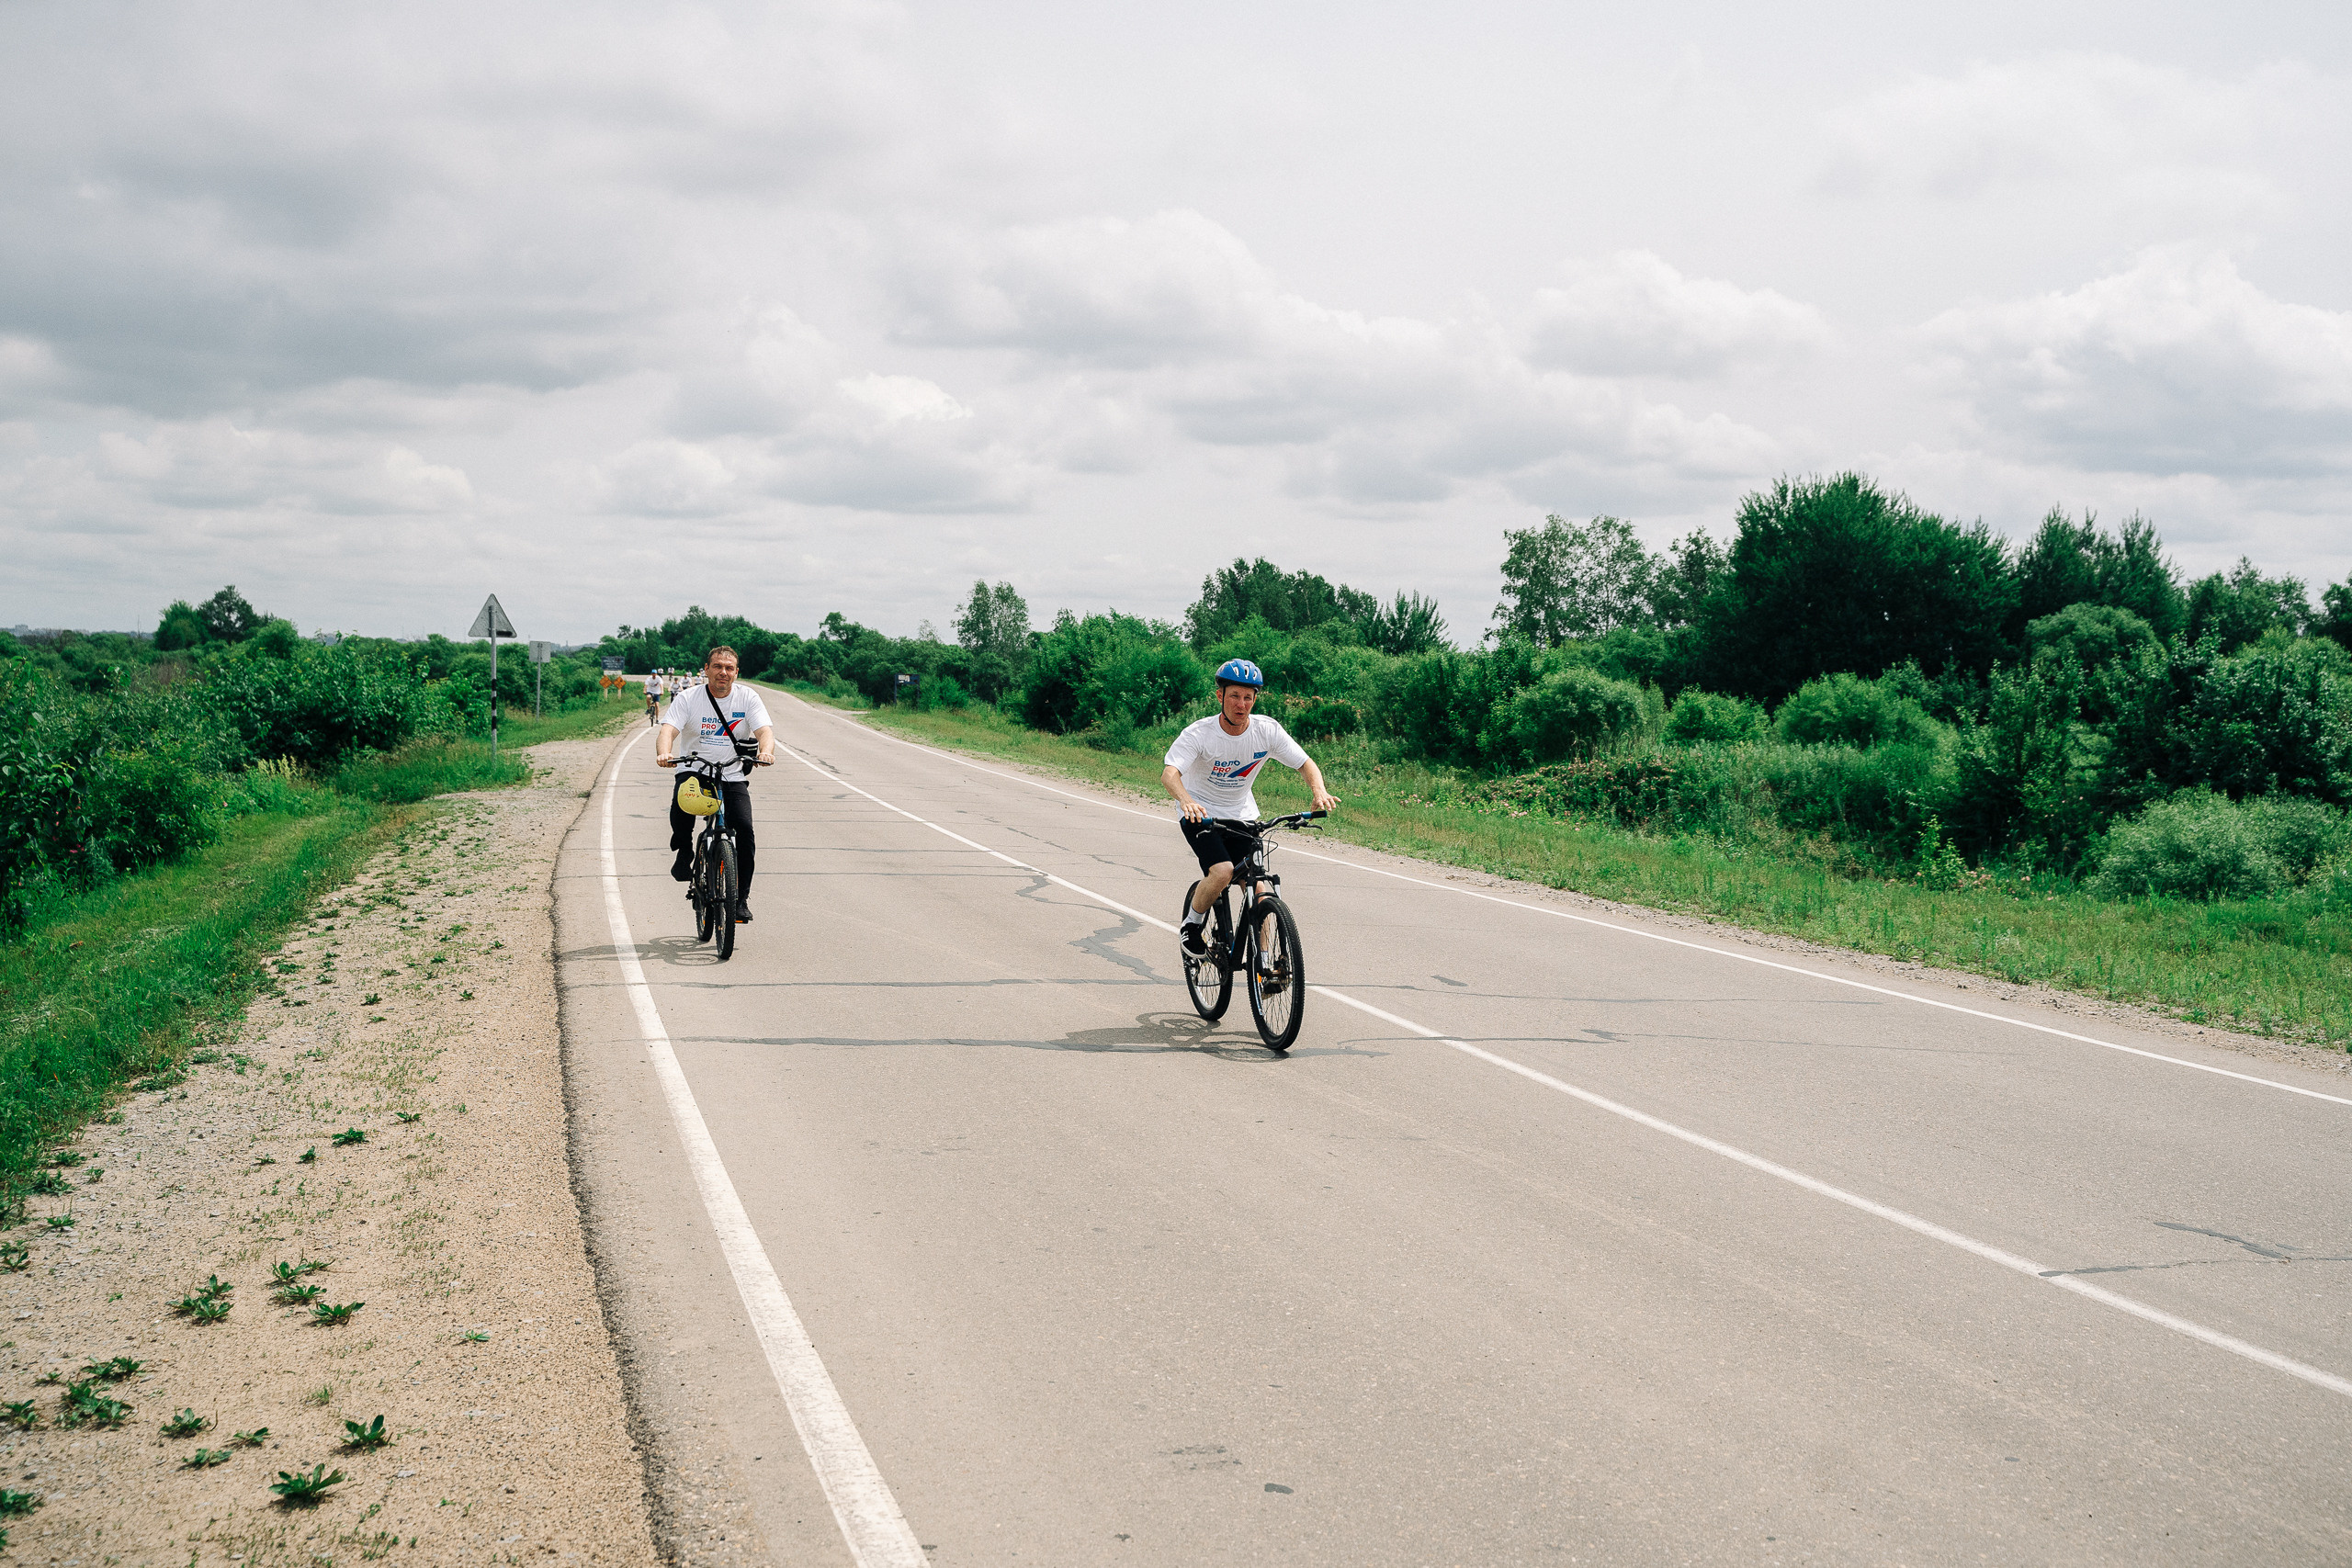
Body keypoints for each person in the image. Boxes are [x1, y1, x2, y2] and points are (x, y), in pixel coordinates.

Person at [1161, 659, 1340, 956]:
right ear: (1220, 696)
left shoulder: (1266, 730)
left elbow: (1305, 763)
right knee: (1222, 872)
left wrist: (1318, 790)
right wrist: (1186, 800)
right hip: (1201, 814)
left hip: (1243, 816)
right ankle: (1192, 924)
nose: (1241, 704)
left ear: (1255, 699)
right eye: (1234, 696)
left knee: (1261, 888)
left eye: (1248, 697)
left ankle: (1265, 963)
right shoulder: (1199, 733)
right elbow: (1170, 774)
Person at [656, 647, 775, 923]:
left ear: (736, 672)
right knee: (682, 803)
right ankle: (684, 849)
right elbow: (668, 730)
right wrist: (664, 753)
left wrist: (766, 752)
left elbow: (764, 732)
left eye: (729, 668)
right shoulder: (688, 698)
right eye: (718, 667)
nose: (723, 672)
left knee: (744, 830)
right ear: (707, 669)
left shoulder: (748, 697)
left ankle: (740, 900)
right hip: (695, 769)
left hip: (731, 773)